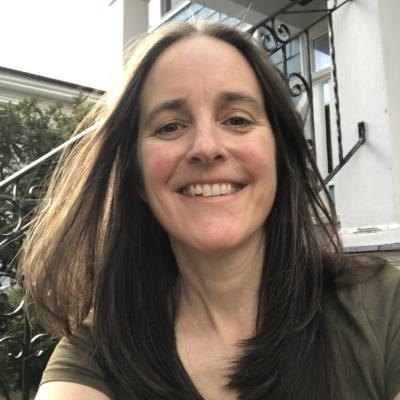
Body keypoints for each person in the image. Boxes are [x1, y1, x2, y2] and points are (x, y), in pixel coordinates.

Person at [20, 21, 400, 400]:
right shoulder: (95, 359)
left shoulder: (383, 307)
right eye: (170, 126)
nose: (206, 146)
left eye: (237, 119)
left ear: (278, 155)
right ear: (135, 177)